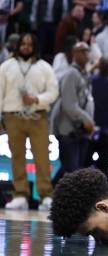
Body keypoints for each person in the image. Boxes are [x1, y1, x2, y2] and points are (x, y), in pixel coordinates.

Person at [0, 33, 58, 211]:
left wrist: (36, 99)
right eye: (23, 44)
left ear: (35, 47)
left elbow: (53, 92)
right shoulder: (6, 66)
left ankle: (45, 195)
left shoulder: (44, 67)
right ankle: (20, 195)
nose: (26, 47)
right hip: (12, 116)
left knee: (42, 156)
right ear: (18, 46)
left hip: (37, 116)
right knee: (16, 157)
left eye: (29, 44)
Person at [51, 42, 94, 182]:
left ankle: (50, 195)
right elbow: (69, 105)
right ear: (74, 54)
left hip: (80, 129)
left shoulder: (85, 74)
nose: (86, 54)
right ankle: (54, 197)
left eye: (87, 51)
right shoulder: (71, 74)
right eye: (82, 51)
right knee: (72, 171)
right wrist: (87, 120)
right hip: (67, 129)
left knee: (71, 170)